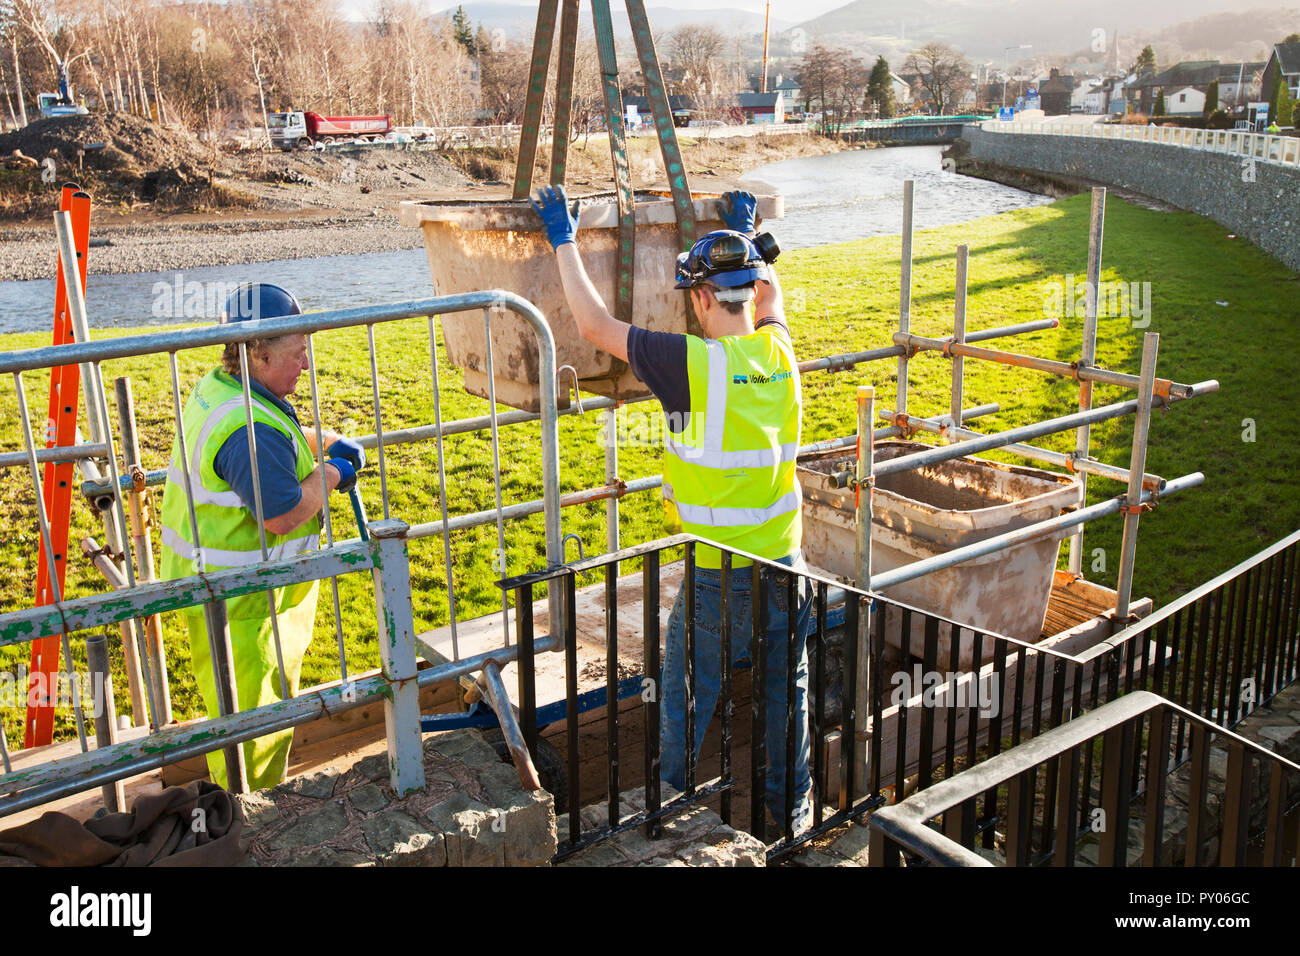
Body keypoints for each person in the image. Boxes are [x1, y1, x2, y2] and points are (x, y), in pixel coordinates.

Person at [530, 187, 813, 834]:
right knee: (785, 692)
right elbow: (772, 297)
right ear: (748, 291)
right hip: (786, 564)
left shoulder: (691, 365)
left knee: (687, 698)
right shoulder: (780, 352)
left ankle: (671, 815)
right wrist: (746, 236)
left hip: (718, 573)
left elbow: (594, 326)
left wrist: (563, 237)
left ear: (703, 298)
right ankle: (793, 814)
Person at [158, 283, 365, 791]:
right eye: (297, 354)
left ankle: (240, 804)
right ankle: (251, 817)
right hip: (247, 602)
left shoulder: (224, 388)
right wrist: (333, 473)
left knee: (238, 711)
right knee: (256, 727)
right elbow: (284, 512)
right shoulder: (246, 428)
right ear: (259, 354)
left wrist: (326, 441)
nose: (306, 364)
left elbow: (277, 441)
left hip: (223, 589)